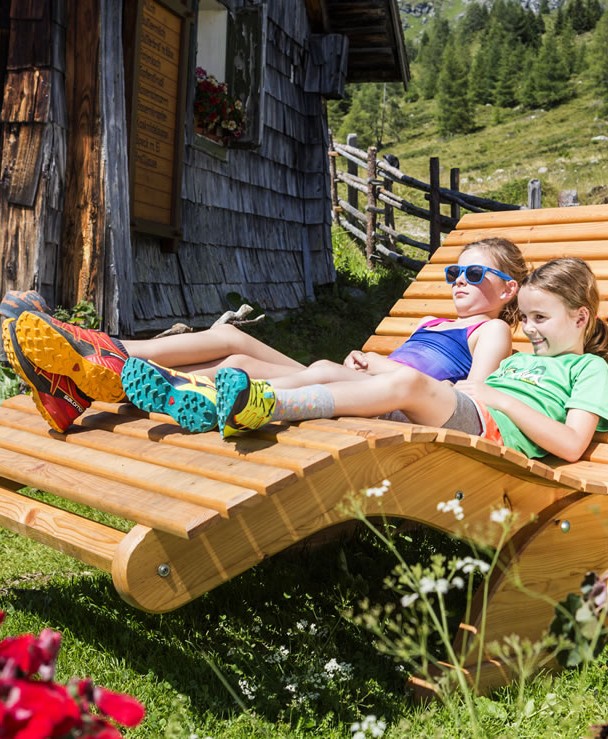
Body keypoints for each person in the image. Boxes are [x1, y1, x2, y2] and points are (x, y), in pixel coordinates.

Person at [0, 238, 526, 433]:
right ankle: (102, 354)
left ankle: (93, 372)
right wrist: (369, 359)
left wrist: (381, 366)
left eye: (474, 276)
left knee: (248, 364)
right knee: (234, 344)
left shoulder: (492, 331)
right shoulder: (435, 323)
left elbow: (470, 395)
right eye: (455, 274)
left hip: (383, 401)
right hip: (353, 380)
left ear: (508, 291)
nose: (459, 283)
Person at [215, 258, 608, 463]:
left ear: (580, 317)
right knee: (326, 369)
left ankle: (272, 405)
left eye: (541, 318)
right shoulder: (520, 361)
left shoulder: (590, 368)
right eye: (526, 318)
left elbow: (572, 444)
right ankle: (237, 399)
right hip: (464, 411)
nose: (529, 329)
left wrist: (500, 399)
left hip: (489, 434)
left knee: (410, 384)